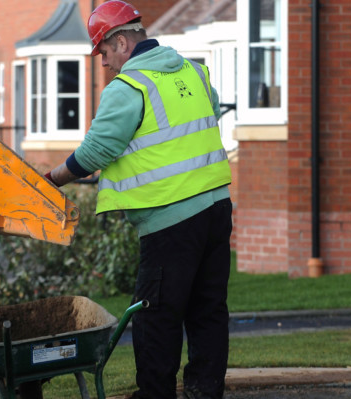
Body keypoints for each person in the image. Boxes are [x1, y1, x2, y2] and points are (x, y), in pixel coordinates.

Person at [44, 1, 233, 398]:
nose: (105, 63)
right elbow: (207, 115)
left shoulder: (129, 87)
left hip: (170, 220)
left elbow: (95, 151)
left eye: (105, 52)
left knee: (155, 316)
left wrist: (53, 179)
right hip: (216, 209)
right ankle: (204, 390)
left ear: (122, 41)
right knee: (208, 310)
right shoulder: (194, 72)